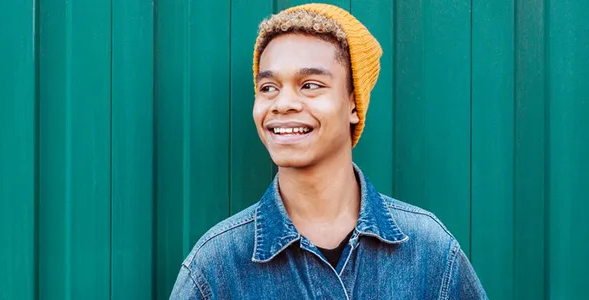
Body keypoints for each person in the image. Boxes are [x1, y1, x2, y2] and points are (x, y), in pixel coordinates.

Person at [169, 3, 487, 300]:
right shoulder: (216, 267)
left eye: (310, 85)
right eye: (268, 88)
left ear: (353, 102)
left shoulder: (428, 252)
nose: (283, 103)